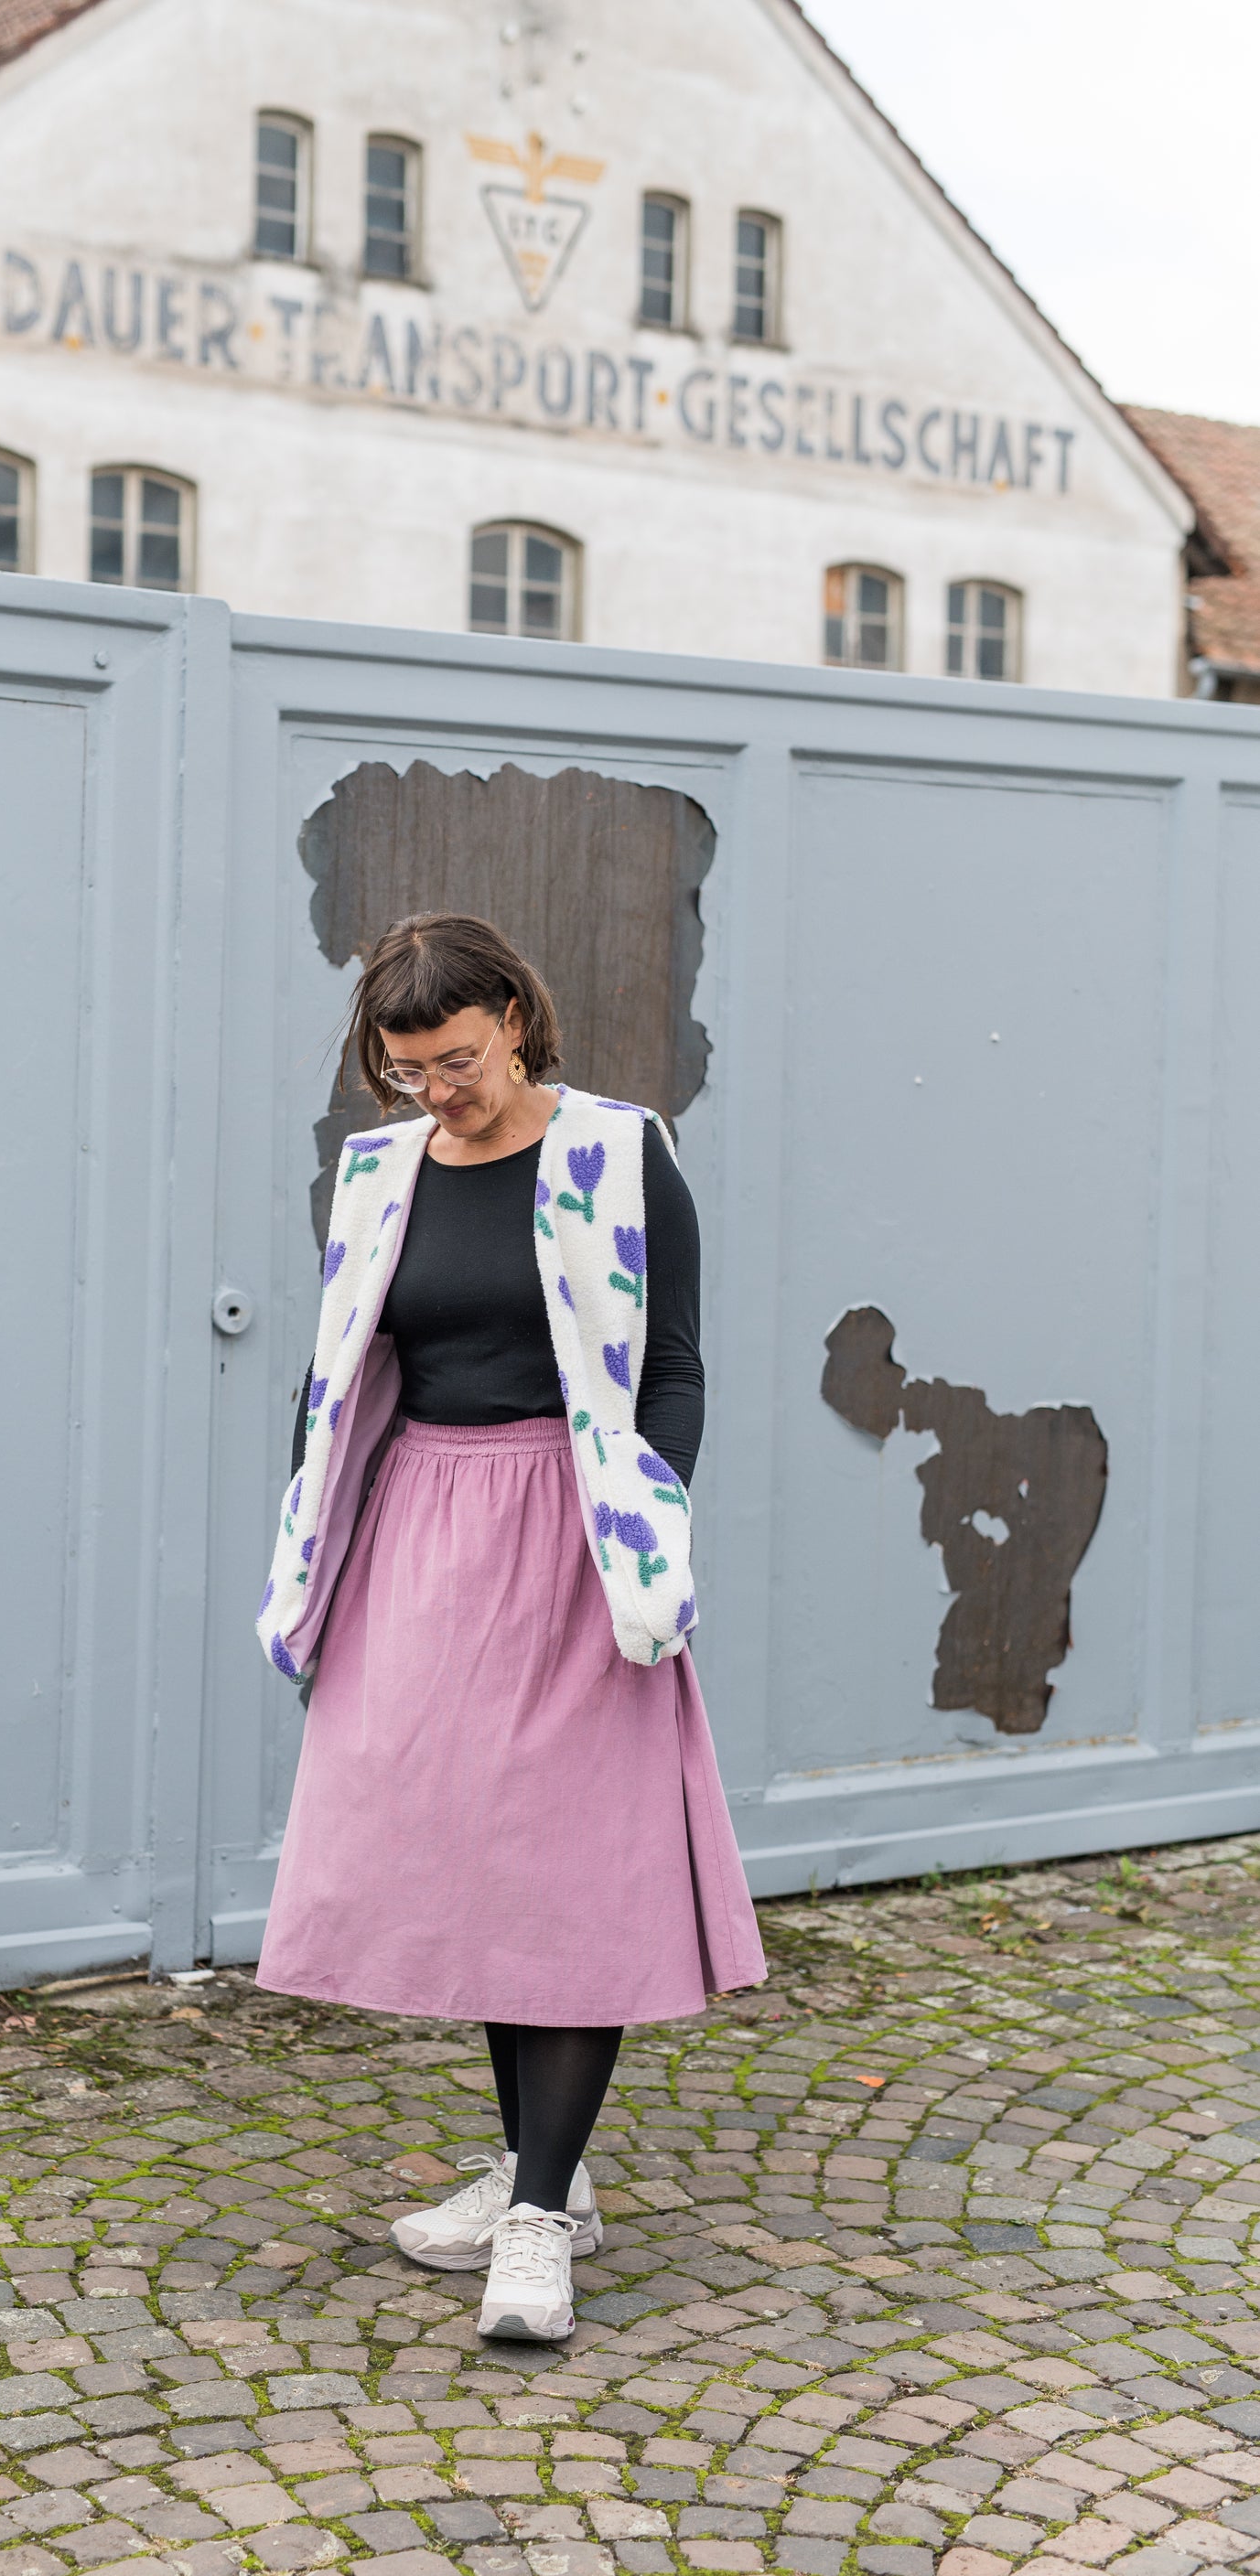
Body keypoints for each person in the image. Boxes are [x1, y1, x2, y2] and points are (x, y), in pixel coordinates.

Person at [254, 914, 765, 2342]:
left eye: (458, 1060)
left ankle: (538, 2217)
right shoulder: (377, 1174)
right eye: (407, 1068)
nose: (437, 1091)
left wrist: (647, 1522)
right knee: (479, 1856)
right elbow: (334, 1373)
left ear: (516, 1022)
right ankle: (544, 2172)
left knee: (569, 1866)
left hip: (575, 1524)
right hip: (421, 1529)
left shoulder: (616, 1153)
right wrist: (312, 1548)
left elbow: (672, 1365)